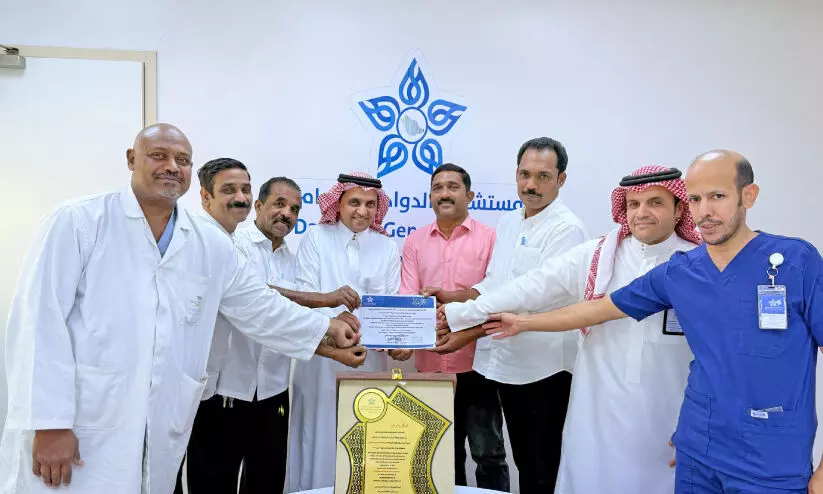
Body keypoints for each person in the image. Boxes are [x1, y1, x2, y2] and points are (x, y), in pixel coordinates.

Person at [0, 124, 358, 494]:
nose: (172, 166)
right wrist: (50, 423)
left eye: (183, 160)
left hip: (162, 422)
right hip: (82, 422)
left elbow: (259, 306)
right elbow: (38, 323)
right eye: (159, 155)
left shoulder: (208, 243)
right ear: (131, 159)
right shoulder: (78, 222)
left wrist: (326, 329)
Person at [484, 150, 823, 494]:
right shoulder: (682, 270)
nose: (705, 211)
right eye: (696, 199)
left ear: (748, 196)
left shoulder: (797, 261)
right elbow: (600, 309)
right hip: (697, 453)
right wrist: (524, 322)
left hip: (770, 460)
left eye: (718, 196)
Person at [441, 165, 700, 493]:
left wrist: (702, 425)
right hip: (599, 412)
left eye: (655, 202)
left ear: (679, 209)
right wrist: (461, 314)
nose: (642, 212)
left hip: (669, 415)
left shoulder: (699, 265)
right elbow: (532, 286)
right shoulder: (599, 256)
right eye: (634, 204)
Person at [428, 137, 588, 493]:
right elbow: (496, 282)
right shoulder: (509, 222)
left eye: (543, 176)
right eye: (524, 174)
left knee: (542, 467)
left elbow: (531, 295)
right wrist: (456, 296)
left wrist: (464, 322)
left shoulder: (567, 229)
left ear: (561, 180)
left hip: (544, 369)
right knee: (524, 461)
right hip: (507, 364)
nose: (531, 185)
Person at [288, 171, 403, 491]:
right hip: (322, 356)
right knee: (318, 431)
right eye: (354, 202)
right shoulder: (316, 238)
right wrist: (333, 319)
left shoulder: (386, 246)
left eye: (370, 204)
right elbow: (304, 295)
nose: (362, 211)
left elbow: (392, 302)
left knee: (366, 432)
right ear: (337, 204)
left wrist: (399, 338)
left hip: (370, 359)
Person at [399, 163, 509, 490]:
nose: (444, 193)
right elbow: (408, 297)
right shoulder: (415, 241)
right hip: (430, 363)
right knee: (440, 456)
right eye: (438, 188)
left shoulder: (491, 239)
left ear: (470, 195)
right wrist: (403, 337)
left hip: (480, 364)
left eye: (453, 187)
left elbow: (497, 294)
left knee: (488, 453)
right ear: (430, 196)